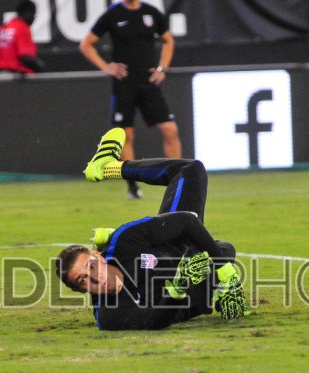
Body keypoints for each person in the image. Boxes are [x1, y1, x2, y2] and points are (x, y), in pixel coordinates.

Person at [55, 128, 251, 331]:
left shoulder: (125, 242)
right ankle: (215, 288)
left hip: (179, 247)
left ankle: (109, 167)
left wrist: (226, 274)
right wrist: (180, 289)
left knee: (191, 170)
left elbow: (186, 221)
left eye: (91, 267)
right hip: (185, 295)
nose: (95, 279)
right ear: (80, 290)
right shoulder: (109, 315)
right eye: (83, 280)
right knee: (224, 249)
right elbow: (154, 320)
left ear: (98, 256)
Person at [80, 0, 181, 200]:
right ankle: (133, 187)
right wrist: (106, 67)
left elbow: (168, 40)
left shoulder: (151, 12)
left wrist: (162, 68)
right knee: (125, 134)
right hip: (124, 83)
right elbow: (86, 44)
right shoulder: (113, 14)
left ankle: (177, 180)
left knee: (169, 129)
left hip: (148, 81)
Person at [0, 1, 45, 76]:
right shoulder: (23, 28)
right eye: (33, 14)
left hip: (0, 75)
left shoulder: (3, 28)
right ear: (28, 13)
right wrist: (40, 66)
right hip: (16, 77)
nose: (34, 18)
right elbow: (25, 57)